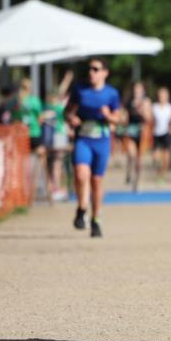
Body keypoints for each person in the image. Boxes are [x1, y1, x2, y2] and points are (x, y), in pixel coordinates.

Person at [64, 57, 121, 238]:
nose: (91, 72)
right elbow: (67, 111)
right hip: (83, 138)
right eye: (90, 69)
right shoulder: (80, 90)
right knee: (81, 174)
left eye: (96, 69)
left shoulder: (111, 94)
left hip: (102, 140)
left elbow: (117, 119)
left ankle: (96, 219)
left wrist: (107, 115)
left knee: (96, 182)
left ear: (105, 73)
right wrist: (71, 118)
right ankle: (82, 208)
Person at [42, 70, 74, 202]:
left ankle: (51, 187)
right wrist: (67, 80)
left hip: (48, 138)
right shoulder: (59, 107)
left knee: (49, 163)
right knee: (57, 163)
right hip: (59, 136)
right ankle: (56, 188)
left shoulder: (45, 107)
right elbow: (62, 90)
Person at [120, 81, 152, 190]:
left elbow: (149, 119)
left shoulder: (146, 102)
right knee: (131, 154)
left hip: (142, 132)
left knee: (139, 160)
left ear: (143, 91)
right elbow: (124, 116)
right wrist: (123, 120)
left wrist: (141, 110)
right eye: (135, 89)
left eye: (139, 89)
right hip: (130, 130)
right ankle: (129, 172)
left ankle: (137, 182)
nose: (136, 91)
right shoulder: (129, 101)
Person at [151, 86, 171, 183]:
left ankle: (161, 176)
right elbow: (150, 120)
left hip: (166, 134)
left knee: (166, 160)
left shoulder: (170, 108)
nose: (162, 97)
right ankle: (158, 170)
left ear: (167, 96)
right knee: (156, 157)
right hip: (156, 134)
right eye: (161, 95)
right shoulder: (154, 107)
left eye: (164, 95)